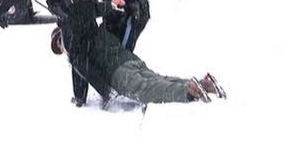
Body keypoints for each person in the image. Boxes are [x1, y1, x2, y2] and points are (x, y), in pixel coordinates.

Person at [50, 23, 227, 105]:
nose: (63, 49)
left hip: (118, 72)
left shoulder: (76, 49)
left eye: (60, 45)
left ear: (63, 37)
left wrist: (80, 98)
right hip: (130, 60)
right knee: (158, 79)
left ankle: (187, 91)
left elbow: (82, 79)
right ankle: (203, 84)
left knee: (147, 90)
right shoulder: (96, 30)